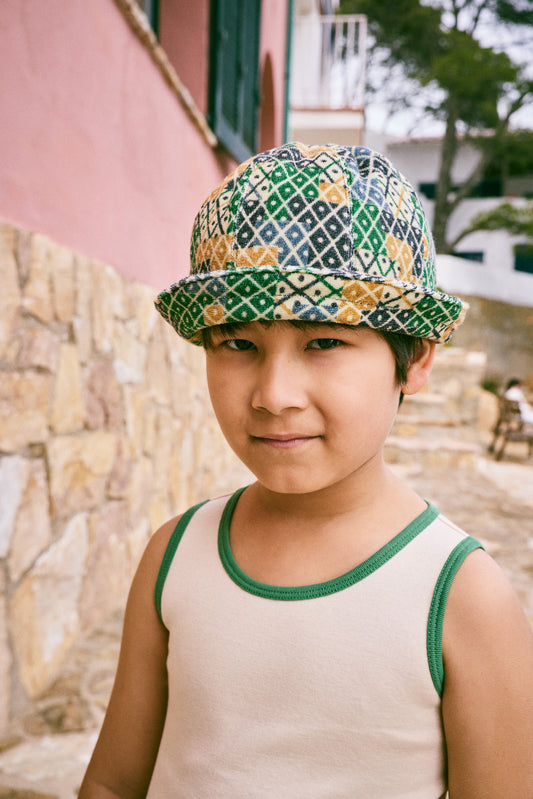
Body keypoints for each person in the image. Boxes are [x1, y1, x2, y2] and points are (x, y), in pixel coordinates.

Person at [79, 143, 533, 798]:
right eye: (238, 343)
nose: (274, 394)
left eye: (324, 341)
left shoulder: (463, 597)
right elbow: (111, 784)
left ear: (415, 360)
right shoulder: (173, 556)